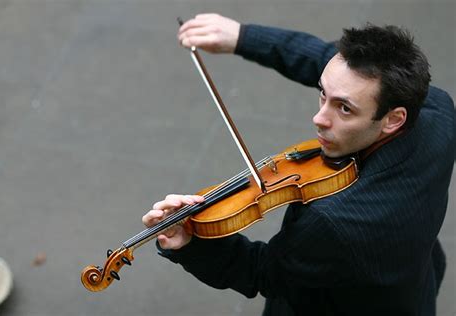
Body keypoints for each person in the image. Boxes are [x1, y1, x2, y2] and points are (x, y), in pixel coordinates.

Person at [142, 14, 454, 315]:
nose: (318, 118)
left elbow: (263, 272)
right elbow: (325, 59)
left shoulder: (332, 222)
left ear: (392, 119)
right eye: (323, 94)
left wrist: (190, 242)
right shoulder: (437, 110)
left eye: (344, 109)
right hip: (414, 287)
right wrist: (243, 37)